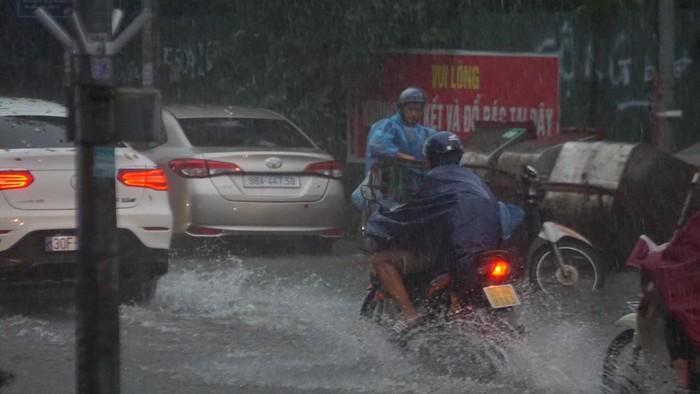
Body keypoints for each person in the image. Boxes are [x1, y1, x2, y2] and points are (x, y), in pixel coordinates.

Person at [364, 131, 502, 334]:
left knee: (380, 260)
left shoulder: (432, 182)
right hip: (488, 252)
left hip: (454, 256)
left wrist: (383, 223)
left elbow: (411, 216)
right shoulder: (475, 181)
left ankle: (410, 314)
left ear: (429, 159)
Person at [351, 87, 437, 212]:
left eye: (417, 110)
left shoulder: (423, 132)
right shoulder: (389, 125)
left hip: (415, 187)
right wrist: (400, 156)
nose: (414, 114)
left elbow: (437, 142)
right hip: (390, 187)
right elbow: (377, 144)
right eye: (410, 109)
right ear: (401, 109)